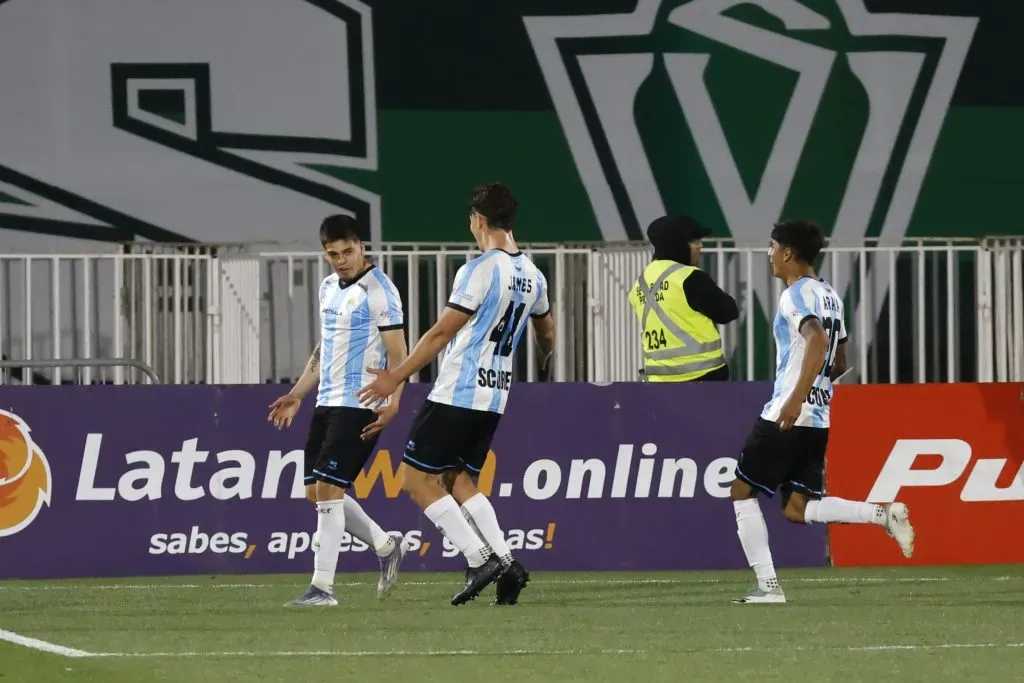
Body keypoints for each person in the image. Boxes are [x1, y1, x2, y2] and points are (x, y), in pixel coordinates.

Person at [357, 182, 556, 607]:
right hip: (494, 396)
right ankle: (507, 562)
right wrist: (544, 361)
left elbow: (441, 333)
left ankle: (478, 557)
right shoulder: (533, 275)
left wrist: (396, 376)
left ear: (479, 220)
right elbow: (547, 331)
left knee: (413, 479)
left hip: (458, 391)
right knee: (458, 479)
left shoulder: (480, 270)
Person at [729, 220, 915, 604]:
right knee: (798, 508)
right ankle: (883, 516)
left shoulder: (793, 295)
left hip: (789, 411)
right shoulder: (831, 295)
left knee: (741, 490)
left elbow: (818, 338)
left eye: (771, 246)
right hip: (818, 418)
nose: (769, 255)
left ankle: (768, 588)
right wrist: (816, 389)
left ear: (787, 252)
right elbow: (841, 357)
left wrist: (797, 396)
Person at [267, 214, 410, 606]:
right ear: (325, 254)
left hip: (362, 402)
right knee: (314, 493)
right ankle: (385, 546)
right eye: (333, 254)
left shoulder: (380, 290)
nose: (342, 259)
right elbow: (324, 348)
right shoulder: (328, 287)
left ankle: (322, 588)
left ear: (361, 246)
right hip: (326, 401)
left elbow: (400, 354)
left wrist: (394, 403)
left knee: (330, 489)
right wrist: (297, 393)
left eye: (348, 251)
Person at [629, 215, 738, 383]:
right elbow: (729, 311)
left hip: (658, 381)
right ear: (678, 245)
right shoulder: (688, 277)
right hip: (702, 378)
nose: (700, 246)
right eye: (694, 241)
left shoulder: (641, 282)